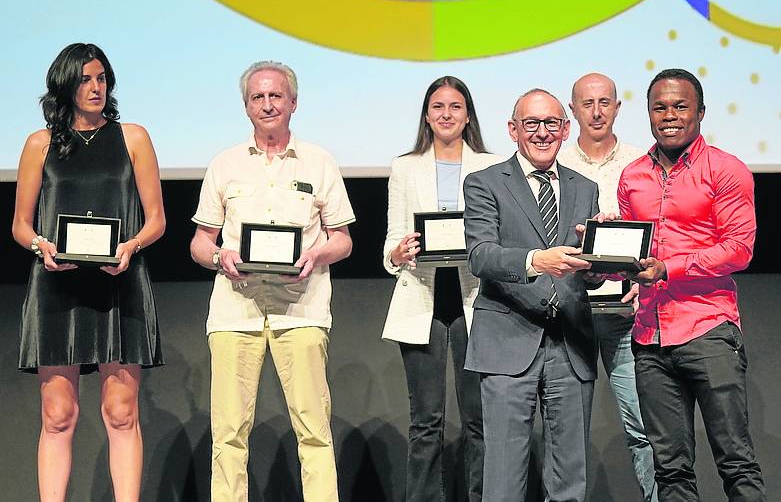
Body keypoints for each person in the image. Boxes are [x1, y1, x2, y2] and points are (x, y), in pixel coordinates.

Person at [190, 61, 355, 502]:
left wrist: (317, 252)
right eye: (258, 97)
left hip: (301, 309)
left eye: (276, 96)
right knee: (228, 434)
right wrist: (219, 256)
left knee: (314, 431)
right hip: (234, 312)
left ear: (293, 103)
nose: (267, 104)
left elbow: (343, 240)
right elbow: (200, 242)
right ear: (246, 106)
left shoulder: (320, 162)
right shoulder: (224, 165)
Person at [11, 43, 166, 502]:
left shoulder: (133, 137)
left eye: (101, 78)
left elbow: (157, 219)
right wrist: (42, 246)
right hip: (57, 283)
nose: (95, 87)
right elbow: (20, 225)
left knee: (120, 412)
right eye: (85, 79)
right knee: (58, 414)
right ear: (65, 85)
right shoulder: (39, 144)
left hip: (120, 281)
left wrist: (131, 245)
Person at [618, 68, 766, 501]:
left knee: (736, 463)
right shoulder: (632, 176)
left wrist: (669, 268)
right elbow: (633, 255)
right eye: (659, 107)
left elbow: (739, 248)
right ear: (647, 113)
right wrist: (598, 260)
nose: (669, 115)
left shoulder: (727, 169)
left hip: (709, 331)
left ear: (700, 112)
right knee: (671, 470)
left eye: (680, 106)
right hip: (649, 337)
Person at [463, 88, 600, 502]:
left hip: (570, 345)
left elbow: (585, 275)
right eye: (532, 124)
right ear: (513, 130)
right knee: (503, 480)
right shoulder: (484, 182)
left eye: (552, 124)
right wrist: (538, 260)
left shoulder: (586, 187)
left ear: (566, 129)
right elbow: (480, 255)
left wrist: (601, 260)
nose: (542, 133)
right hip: (507, 341)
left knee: (569, 480)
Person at [381, 76, 502, 501]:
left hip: (477, 299)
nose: (446, 114)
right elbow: (392, 240)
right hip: (422, 296)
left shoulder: (492, 164)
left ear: (467, 114)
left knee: (479, 418)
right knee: (425, 421)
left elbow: (500, 237)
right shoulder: (404, 166)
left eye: (454, 106)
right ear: (427, 116)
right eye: (437, 107)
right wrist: (397, 253)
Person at [558, 73, 657, 501]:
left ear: (618, 107)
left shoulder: (642, 163)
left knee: (644, 429)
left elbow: (661, 236)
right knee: (564, 436)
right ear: (572, 111)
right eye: (586, 103)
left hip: (625, 315)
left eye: (605, 102)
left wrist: (643, 285)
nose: (596, 112)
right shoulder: (554, 164)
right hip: (568, 317)